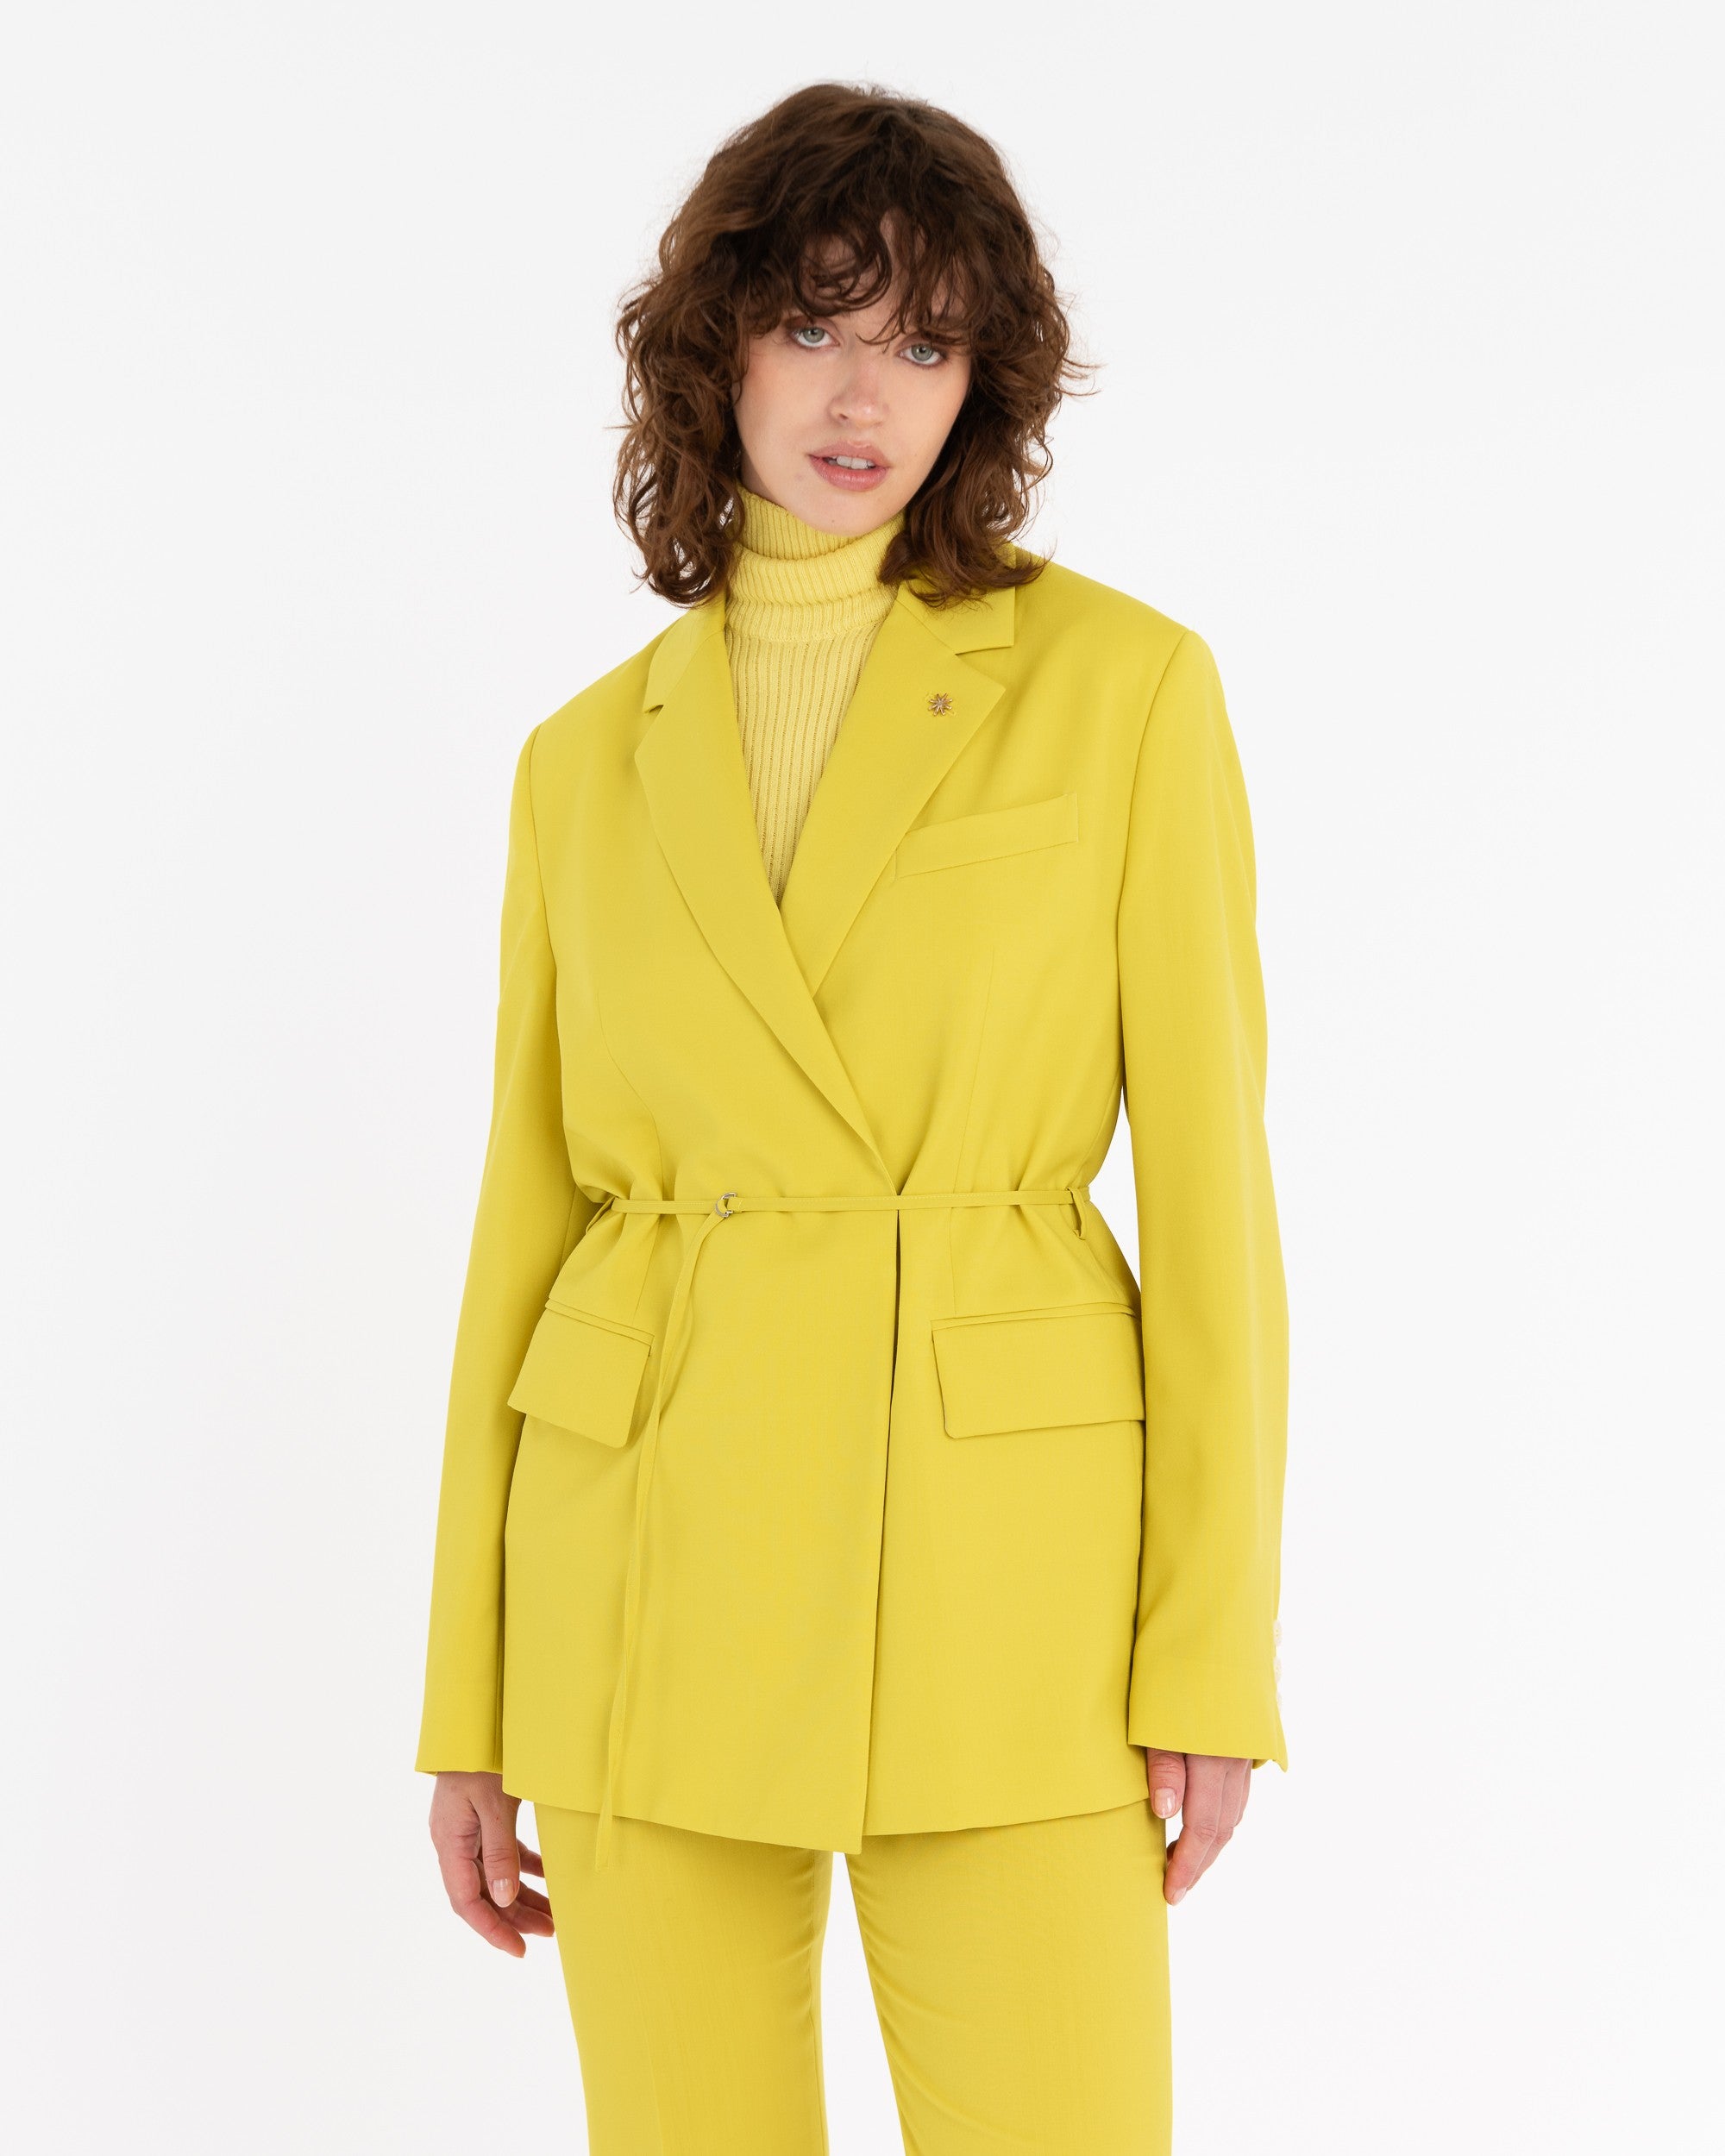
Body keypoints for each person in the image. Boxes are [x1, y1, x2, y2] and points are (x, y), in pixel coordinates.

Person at [413, 79, 1288, 2156]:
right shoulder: (577, 764)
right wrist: (473, 1694)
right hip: (644, 1569)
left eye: (924, 338)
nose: (861, 391)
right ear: (714, 345)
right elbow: (522, 1227)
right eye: (813, 322)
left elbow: (1215, 1204)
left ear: (986, 382)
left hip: (1009, 1582)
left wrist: (1209, 1655)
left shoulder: (1123, 690)